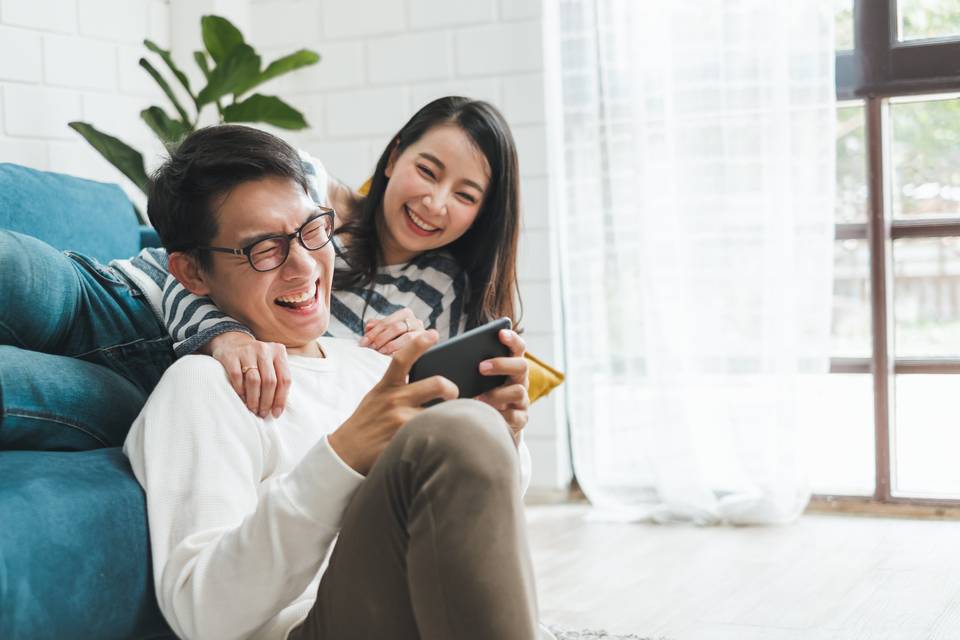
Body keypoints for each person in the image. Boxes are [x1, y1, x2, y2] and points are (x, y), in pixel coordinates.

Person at [123, 123, 538, 639]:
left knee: (469, 425)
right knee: (460, 431)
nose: (304, 265)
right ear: (192, 274)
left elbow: (474, 522)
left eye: (311, 231)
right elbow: (201, 614)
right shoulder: (204, 386)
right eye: (264, 249)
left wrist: (505, 432)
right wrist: (343, 454)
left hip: (427, 614)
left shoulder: (372, 363)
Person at [0, 97, 523, 448]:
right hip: (123, 301)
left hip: (162, 388)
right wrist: (219, 332)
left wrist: (397, 367)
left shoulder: (447, 294)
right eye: (427, 171)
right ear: (392, 159)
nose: (434, 202)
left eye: (465, 194)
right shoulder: (311, 198)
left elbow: (408, 429)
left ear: (485, 212)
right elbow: (181, 263)